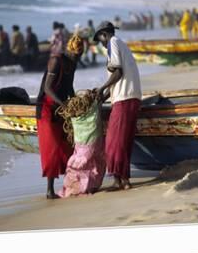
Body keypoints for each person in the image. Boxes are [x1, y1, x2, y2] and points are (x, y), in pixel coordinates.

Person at [94, 21, 142, 191]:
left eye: (100, 38)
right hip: (131, 97)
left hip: (124, 99)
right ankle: (125, 180)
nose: (101, 42)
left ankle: (119, 180)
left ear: (104, 35)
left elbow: (118, 72)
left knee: (113, 141)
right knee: (124, 141)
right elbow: (119, 79)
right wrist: (103, 96)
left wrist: (102, 88)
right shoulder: (121, 45)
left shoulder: (113, 42)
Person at [35, 34, 84, 199]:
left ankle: (69, 184)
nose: (77, 58)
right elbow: (48, 88)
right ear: (70, 50)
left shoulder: (73, 64)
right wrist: (62, 104)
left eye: (79, 56)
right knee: (53, 148)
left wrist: (78, 102)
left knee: (67, 146)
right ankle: (49, 190)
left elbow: (69, 87)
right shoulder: (56, 61)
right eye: (75, 55)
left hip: (61, 109)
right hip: (47, 109)